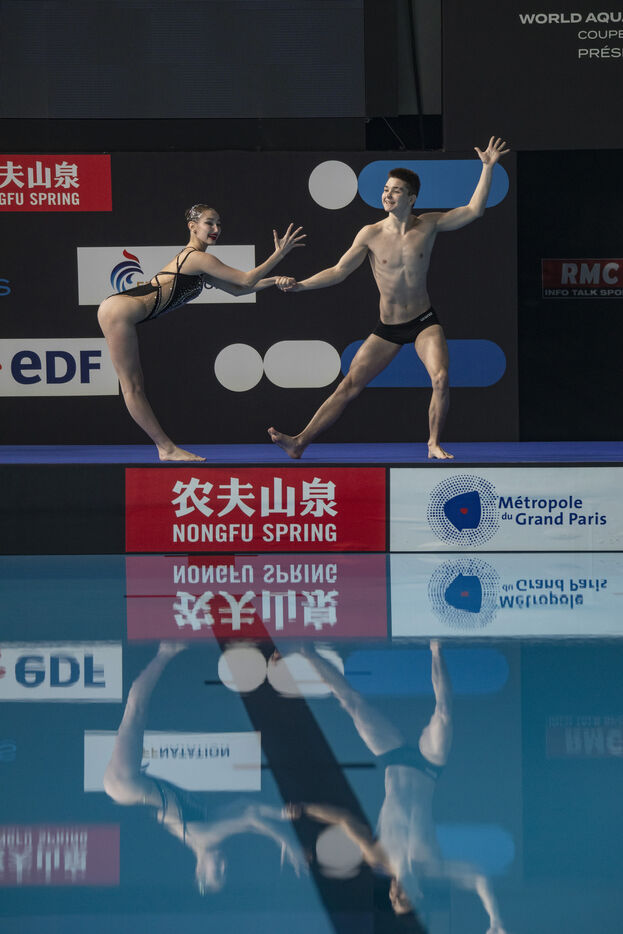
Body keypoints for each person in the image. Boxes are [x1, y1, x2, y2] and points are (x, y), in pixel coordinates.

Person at [268, 137, 510, 460]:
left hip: (424, 321)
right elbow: (339, 271)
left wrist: (487, 167)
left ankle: (433, 444)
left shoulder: (429, 225)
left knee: (441, 378)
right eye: (385, 189)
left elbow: (474, 210)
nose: (387, 194)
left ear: (411, 198)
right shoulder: (370, 234)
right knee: (349, 385)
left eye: (395, 190)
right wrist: (301, 285)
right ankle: (299, 442)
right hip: (388, 328)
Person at [284, 641, 509, 934]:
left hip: (392, 758)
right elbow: (479, 877)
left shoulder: (377, 857)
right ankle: (436, 647)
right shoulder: (434, 866)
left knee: (352, 703)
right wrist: (495, 920)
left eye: (392, 899)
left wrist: (305, 810)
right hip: (429, 766)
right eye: (402, 899)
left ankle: (307, 652)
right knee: (443, 713)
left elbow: (344, 819)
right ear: (419, 896)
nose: (394, 894)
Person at [97, 205, 305, 462]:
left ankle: (166, 448)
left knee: (134, 386)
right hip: (119, 311)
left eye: (219, 224)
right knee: (133, 387)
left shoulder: (199, 264)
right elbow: (246, 279)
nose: (216, 229)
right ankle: (166, 449)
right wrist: (279, 254)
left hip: (120, 309)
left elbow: (238, 291)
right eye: (209, 223)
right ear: (192, 226)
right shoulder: (196, 258)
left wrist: (274, 281)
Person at [103, 642, 307, 893]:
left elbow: (249, 819)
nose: (224, 865)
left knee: (136, 711)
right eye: (226, 871)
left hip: (126, 785)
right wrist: (279, 814)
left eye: (216, 872)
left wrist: (286, 841)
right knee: (137, 712)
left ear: (199, 869)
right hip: (135, 786)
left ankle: (165, 652)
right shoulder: (207, 825)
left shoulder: (204, 836)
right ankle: (165, 653)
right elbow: (246, 806)